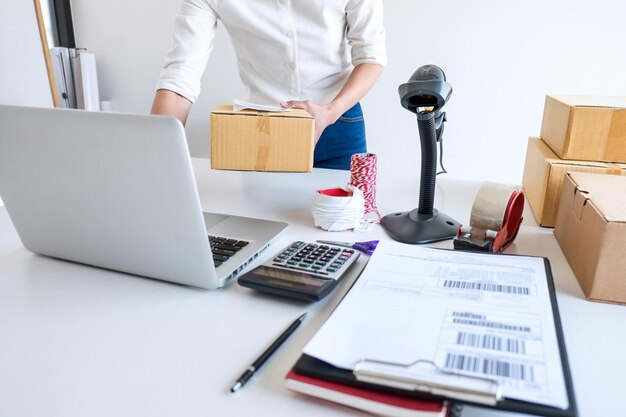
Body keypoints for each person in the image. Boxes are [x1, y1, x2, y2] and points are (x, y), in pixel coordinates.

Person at [151, 0, 387, 170]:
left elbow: (371, 57)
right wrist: (156, 151)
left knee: (342, 229)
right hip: (262, 130)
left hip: (337, 121)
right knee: (264, 230)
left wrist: (330, 112)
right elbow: (181, 74)